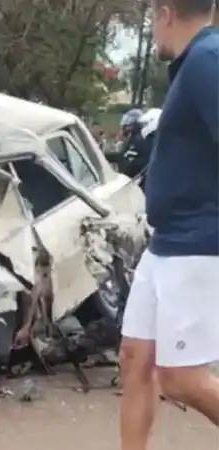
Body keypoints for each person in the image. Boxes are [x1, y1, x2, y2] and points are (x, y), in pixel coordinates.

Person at [119, 1, 219, 449]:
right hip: (165, 245)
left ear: (165, 13)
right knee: (135, 357)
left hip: (196, 243)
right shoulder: (192, 63)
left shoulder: (206, 59)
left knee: (181, 378)